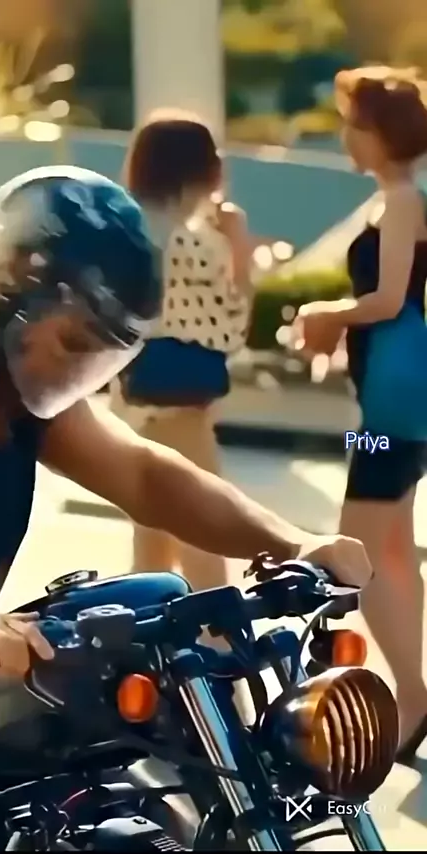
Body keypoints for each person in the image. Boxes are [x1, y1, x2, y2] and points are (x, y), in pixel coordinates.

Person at [0, 164, 371, 680]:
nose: (73, 374)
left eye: (95, 359)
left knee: (156, 606)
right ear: (7, 283)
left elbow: (146, 476)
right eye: (72, 344)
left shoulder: (14, 401)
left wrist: (294, 544)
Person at [293, 66, 427, 764]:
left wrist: (325, 312)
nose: (346, 137)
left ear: (381, 133)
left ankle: (409, 695)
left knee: (358, 552)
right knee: (394, 548)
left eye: (353, 124)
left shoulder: (402, 200)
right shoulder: (393, 199)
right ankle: (413, 693)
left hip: (395, 395)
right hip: (397, 390)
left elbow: (389, 298)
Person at [111, 110, 253, 591]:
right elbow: (230, 328)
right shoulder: (195, 243)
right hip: (182, 410)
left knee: (151, 547)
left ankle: (142, 636)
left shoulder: (126, 230)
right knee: (204, 537)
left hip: (133, 401)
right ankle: (218, 635)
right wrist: (239, 248)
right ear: (202, 168)